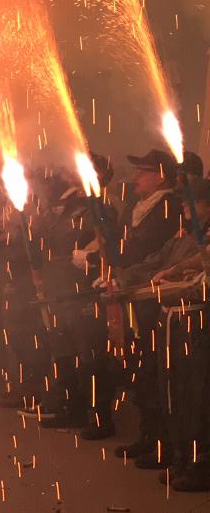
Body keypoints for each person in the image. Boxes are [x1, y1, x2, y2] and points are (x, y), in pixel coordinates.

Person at [109, 149, 184, 463]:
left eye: (143, 172)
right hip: (134, 292)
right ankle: (148, 434)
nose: (136, 177)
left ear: (160, 177)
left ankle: (163, 443)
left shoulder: (170, 207)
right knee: (140, 365)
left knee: (155, 369)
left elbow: (160, 254)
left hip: (153, 298)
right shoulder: (137, 206)